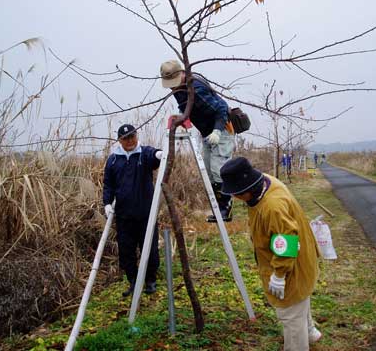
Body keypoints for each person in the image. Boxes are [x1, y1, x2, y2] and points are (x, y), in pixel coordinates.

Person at [220, 157, 322, 351]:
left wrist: (279, 274)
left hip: (291, 261)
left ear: (245, 189)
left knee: (290, 312)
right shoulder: (265, 182)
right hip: (297, 254)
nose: (234, 197)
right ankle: (309, 331)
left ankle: (298, 344)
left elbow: (287, 241)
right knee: (300, 298)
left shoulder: (273, 206)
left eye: (235, 193)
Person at [160, 59, 235, 222]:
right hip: (206, 133)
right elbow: (186, 107)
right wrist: (182, 118)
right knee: (208, 171)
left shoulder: (197, 88)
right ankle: (218, 208)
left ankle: (225, 209)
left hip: (221, 129)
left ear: (181, 73)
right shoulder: (178, 89)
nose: (171, 86)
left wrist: (217, 130)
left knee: (218, 170)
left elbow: (221, 109)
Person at [103, 124, 163, 297]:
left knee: (149, 249)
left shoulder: (144, 154)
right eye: (125, 138)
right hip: (124, 216)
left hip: (146, 214)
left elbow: (154, 156)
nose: (129, 141)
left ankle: (150, 281)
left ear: (136, 136)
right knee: (126, 251)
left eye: (132, 137)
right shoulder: (113, 160)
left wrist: (159, 154)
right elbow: (108, 184)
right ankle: (133, 282)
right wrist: (107, 203)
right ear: (120, 140)